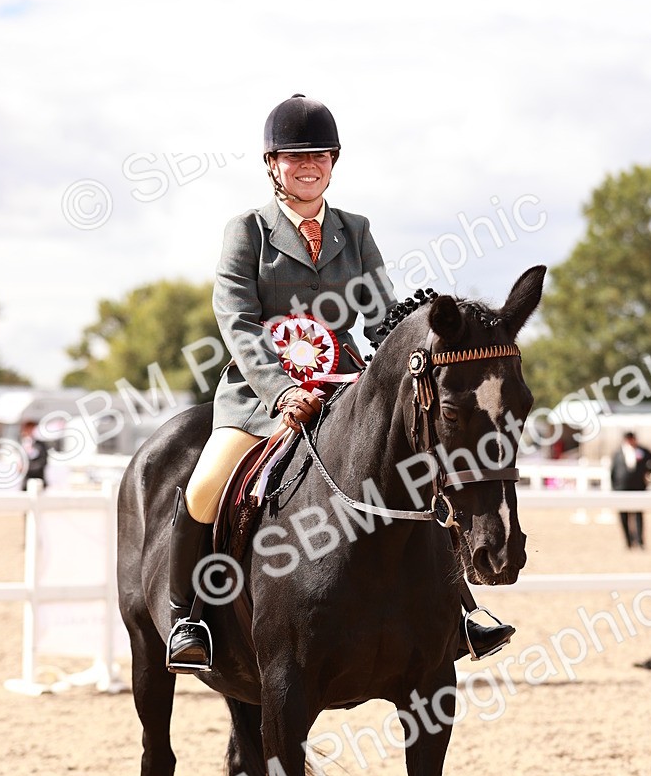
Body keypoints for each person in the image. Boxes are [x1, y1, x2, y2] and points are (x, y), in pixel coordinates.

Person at [167, 94, 516, 672]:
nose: (309, 165)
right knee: (206, 487)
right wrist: (280, 388)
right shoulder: (248, 231)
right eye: (294, 156)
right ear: (272, 163)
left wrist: (418, 329)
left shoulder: (356, 231)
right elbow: (238, 320)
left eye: (320, 155)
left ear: (333, 161)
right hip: (261, 394)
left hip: (343, 384)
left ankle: (457, 609)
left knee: (420, 471)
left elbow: (378, 314)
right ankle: (190, 619)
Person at [611, 431, 651, 549]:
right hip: (621, 488)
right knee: (623, 516)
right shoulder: (618, 453)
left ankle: (639, 541)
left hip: (638, 487)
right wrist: (614, 488)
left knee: (638, 514)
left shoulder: (643, 451)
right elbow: (613, 471)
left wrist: (648, 473)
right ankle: (628, 541)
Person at [19, 420, 48, 489]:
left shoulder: (40, 445)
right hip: (26, 482)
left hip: (38, 480)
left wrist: (27, 468)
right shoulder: (23, 444)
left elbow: (43, 462)